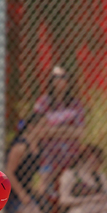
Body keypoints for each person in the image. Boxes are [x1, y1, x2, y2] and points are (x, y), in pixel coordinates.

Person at [5, 113, 51, 213]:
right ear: (31, 127)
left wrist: (42, 184)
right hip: (12, 193)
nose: (45, 129)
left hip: (26, 191)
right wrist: (22, 195)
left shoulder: (38, 147)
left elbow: (41, 171)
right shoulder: (20, 146)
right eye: (42, 125)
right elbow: (9, 172)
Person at [32, 65, 86, 196]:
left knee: (67, 188)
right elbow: (39, 131)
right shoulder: (43, 103)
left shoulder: (75, 104)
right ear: (51, 81)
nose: (60, 81)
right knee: (45, 186)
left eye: (64, 78)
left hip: (70, 155)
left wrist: (53, 130)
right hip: (48, 154)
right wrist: (68, 130)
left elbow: (80, 133)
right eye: (56, 77)